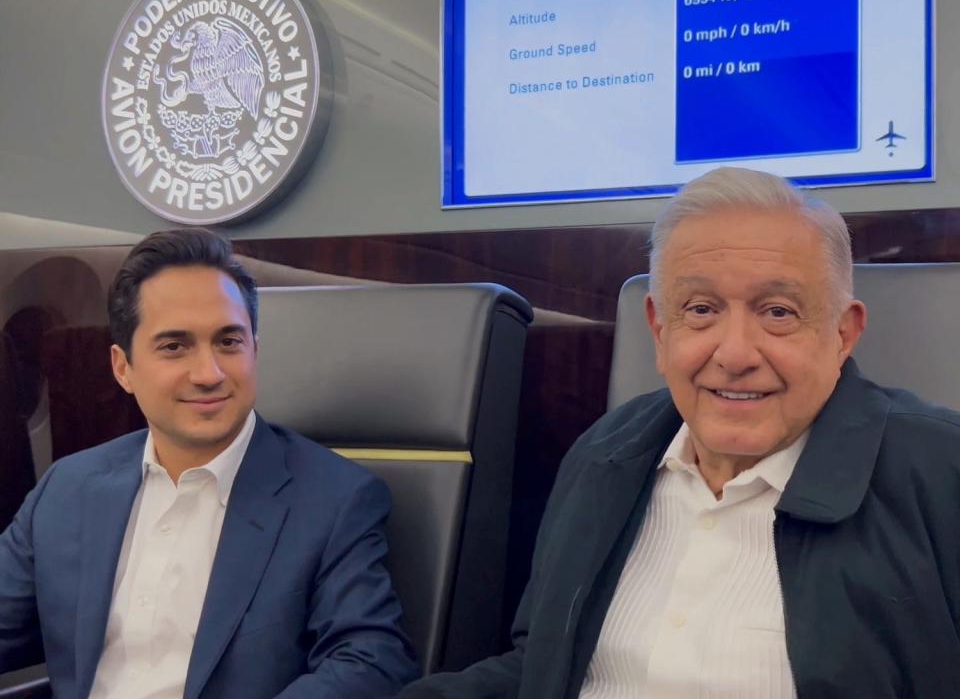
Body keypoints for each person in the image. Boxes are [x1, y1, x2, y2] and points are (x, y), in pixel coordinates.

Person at [396, 167, 960, 699]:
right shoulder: (605, 453)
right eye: (700, 309)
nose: (735, 354)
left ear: (842, 333)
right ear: (659, 330)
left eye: (779, 312)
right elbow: (541, 665)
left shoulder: (939, 472)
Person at [0, 229, 418, 698]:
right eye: (174, 346)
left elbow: (370, 662)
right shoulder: (67, 488)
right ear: (123, 368)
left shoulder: (335, 500)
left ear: (255, 350)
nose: (209, 374)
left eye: (228, 342)